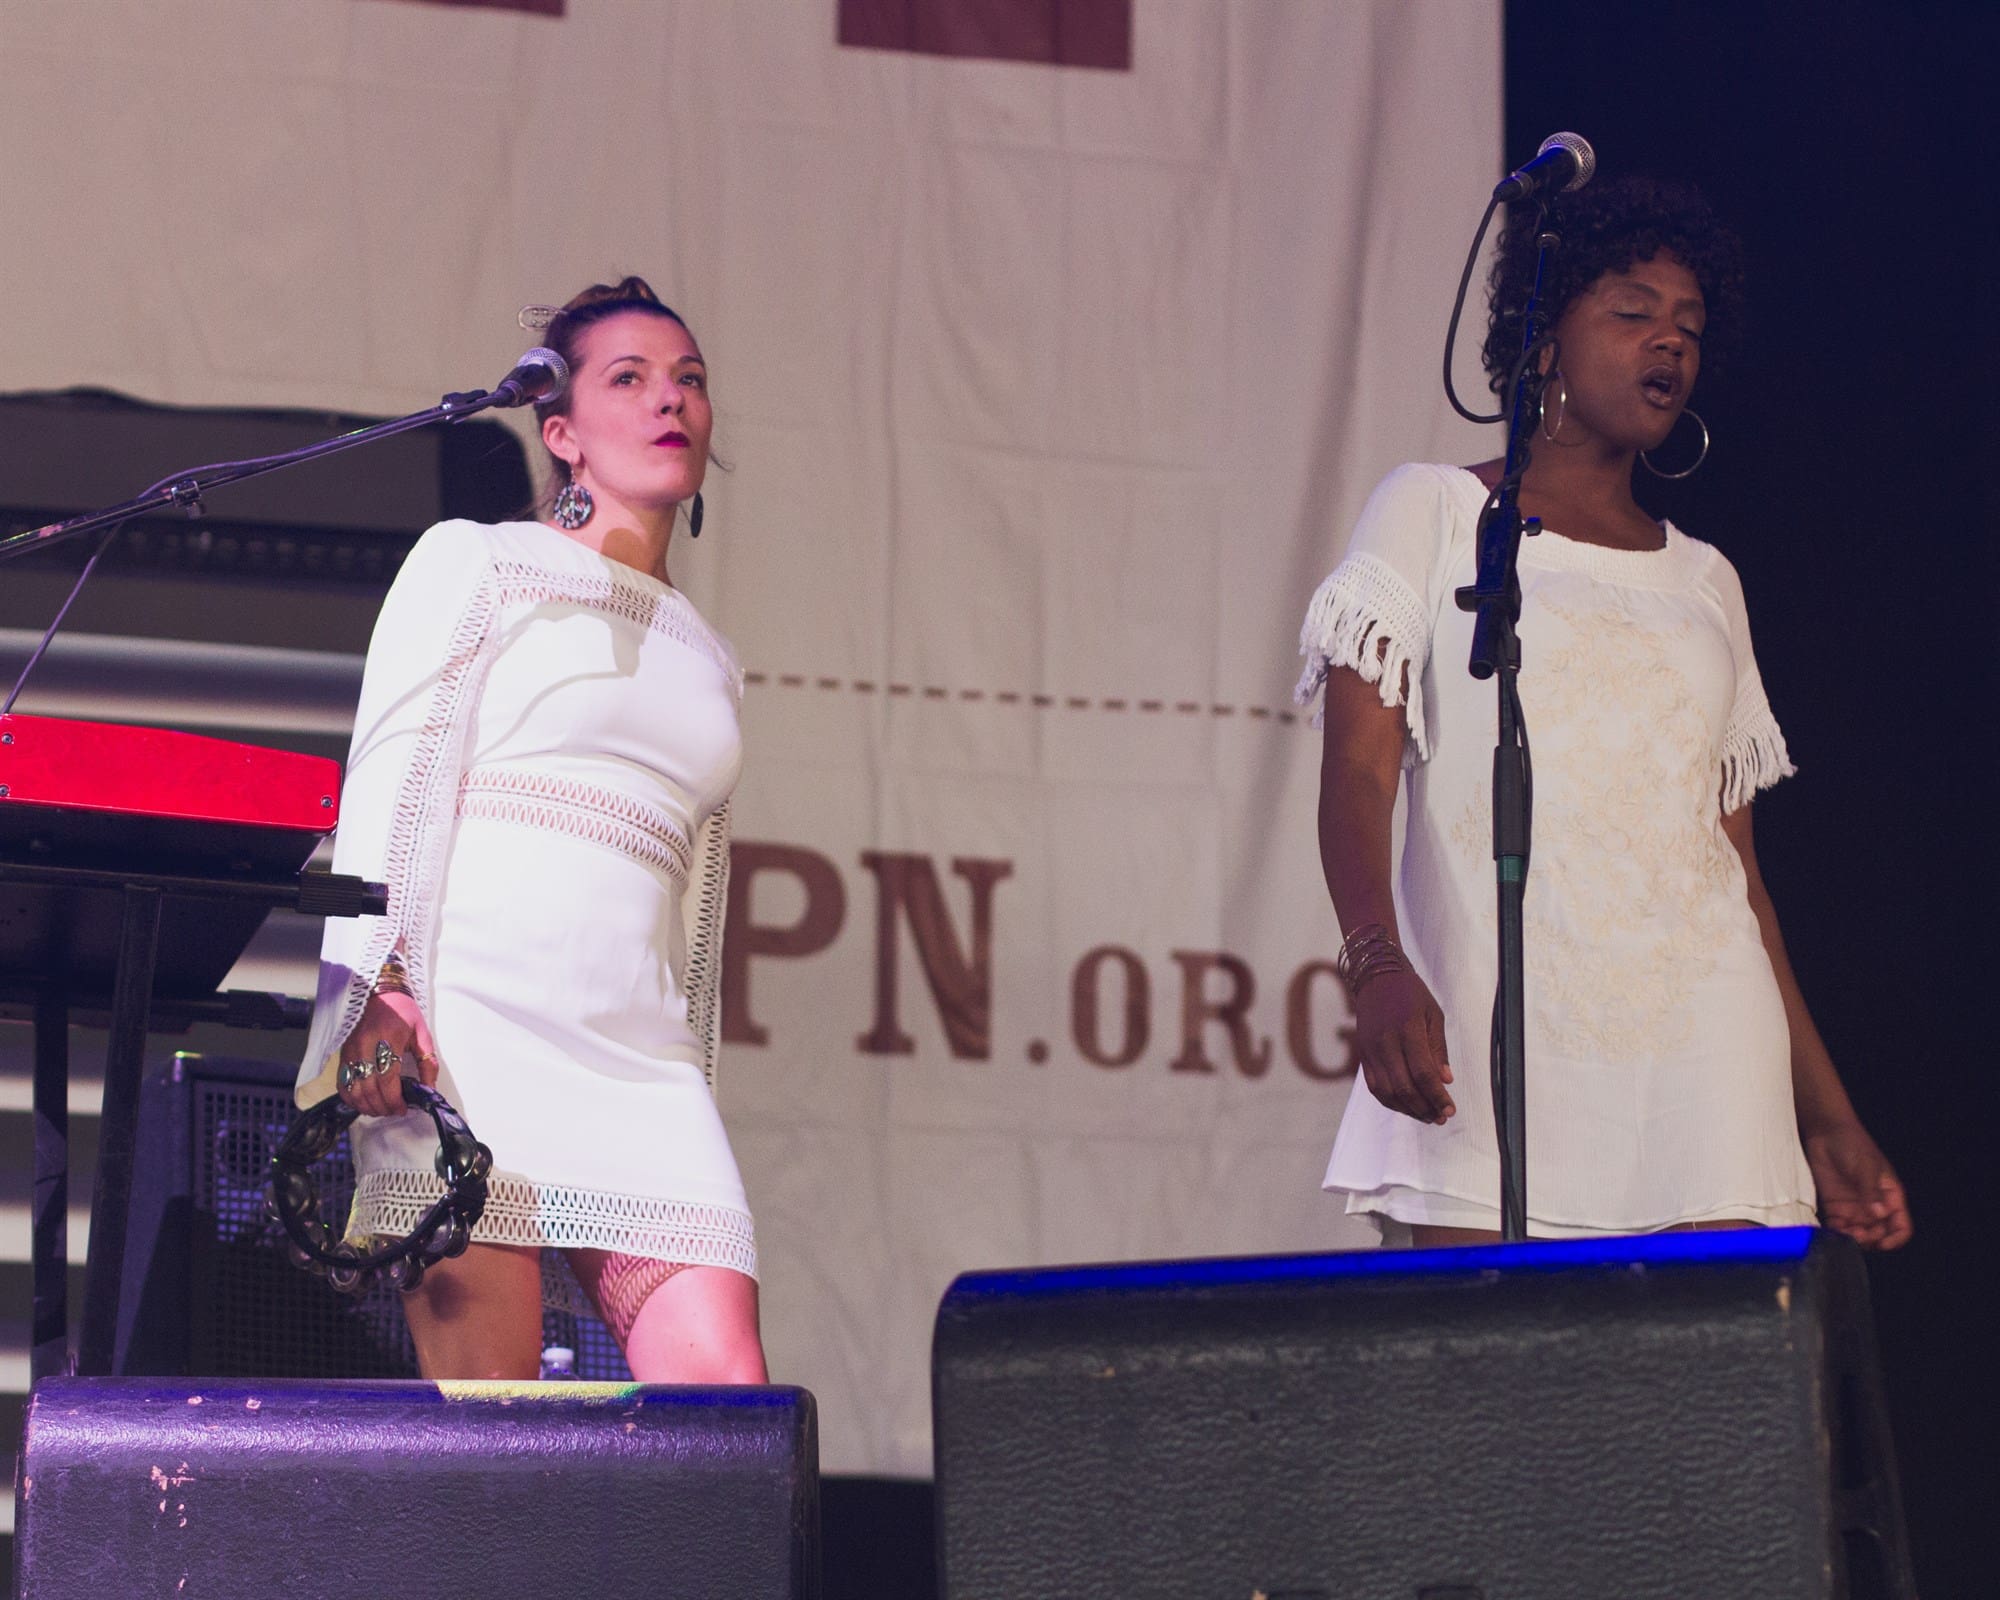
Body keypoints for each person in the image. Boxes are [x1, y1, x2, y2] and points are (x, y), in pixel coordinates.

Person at [1295, 177, 1911, 1250]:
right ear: (1542, 340)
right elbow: (1357, 770)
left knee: (1710, 1363)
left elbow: (1735, 878)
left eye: (1689, 328)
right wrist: (1375, 961)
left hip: (1708, 1067)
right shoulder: (1435, 512)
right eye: (1633, 311)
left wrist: (1827, 1116)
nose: (1668, 342)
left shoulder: (1706, 580)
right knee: (1483, 1359)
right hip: (1490, 1045)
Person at [297, 276, 769, 1379]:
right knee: (492, 1430)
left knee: (729, 1407)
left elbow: (689, 914)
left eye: (689, 379)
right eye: (630, 378)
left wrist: (694, 1070)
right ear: (561, 433)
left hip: (643, 1067)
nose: (670, 399)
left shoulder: (709, 657)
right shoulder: (482, 562)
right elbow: (390, 782)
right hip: (469, 1035)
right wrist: (373, 990)